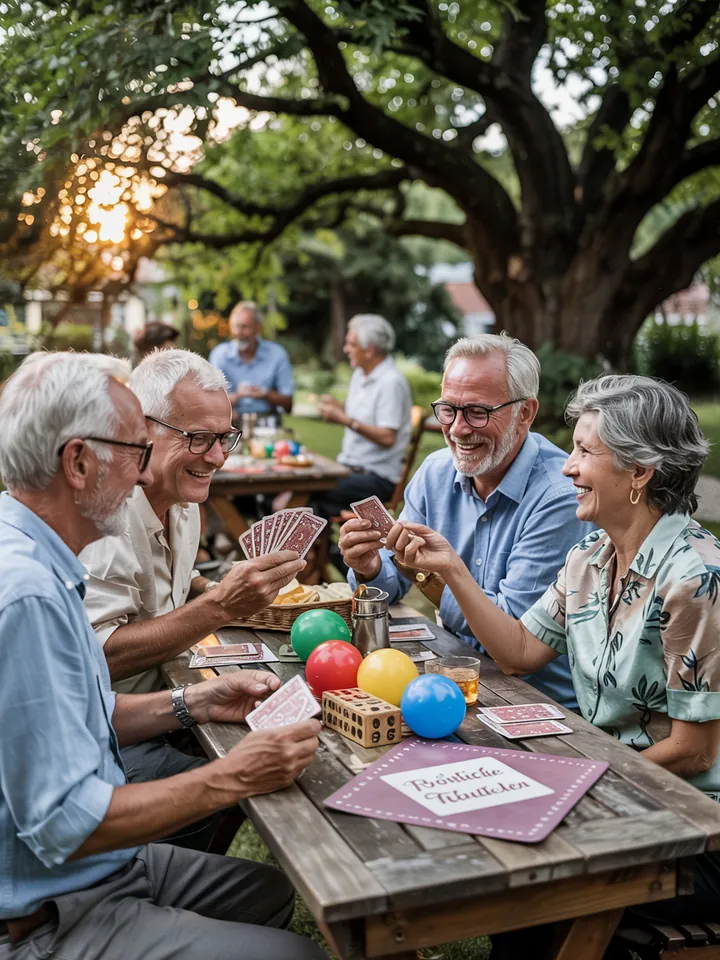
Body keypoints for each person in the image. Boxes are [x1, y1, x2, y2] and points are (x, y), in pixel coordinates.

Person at [0, 351, 325, 960]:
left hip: (97, 868)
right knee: (296, 955)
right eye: (133, 451)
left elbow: (83, 711)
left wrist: (190, 701)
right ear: (77, 462)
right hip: (46, 910)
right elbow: (65, 823)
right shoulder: (26, 594)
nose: (144, 476)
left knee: (266, 893)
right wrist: (233, 774)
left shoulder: (39, 553)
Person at [384, 374, 720, 958]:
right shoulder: (589, 558)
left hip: (694, 826)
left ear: (639, 472)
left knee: (528, 882)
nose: (567, 468)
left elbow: (694, 750)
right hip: (620, 790)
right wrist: (453, 572)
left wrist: (578, 784)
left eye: (586, 452)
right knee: (503, 863)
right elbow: (518, 653)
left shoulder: (694, 578)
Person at [79, 349, 304, 847]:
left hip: (163, 702)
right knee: (252, 769)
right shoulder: (103, 519)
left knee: (282, 730)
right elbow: (97, 660)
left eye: (224, 437)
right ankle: (160, 890)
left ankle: (188, 874)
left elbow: (164, 592)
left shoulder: (183, 503)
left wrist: (210, 587)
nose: (219, 458)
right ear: (143, 427)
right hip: (103, 733)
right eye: (199, 438)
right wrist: (222, 604)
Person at [339, 332, 590, 710]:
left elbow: (512, 641)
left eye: (477, 412)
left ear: (525, 413)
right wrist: (371, 568)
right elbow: (392, 582)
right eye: (448, 409)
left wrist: (435, 578)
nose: (457, 429)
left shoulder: (559, 495)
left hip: (541, 706)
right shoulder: (436, 472)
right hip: (454, 679)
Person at [312, 314, 412, 520]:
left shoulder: (390, 383)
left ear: (370, 350)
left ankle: (321, 549)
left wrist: (344, 420)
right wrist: (337, 406)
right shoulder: (360, 374)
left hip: (377, 478)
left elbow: (387, 437)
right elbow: (359, 414)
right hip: (349, 469)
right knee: (306, 488)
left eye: (352, 344)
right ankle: (326, 549)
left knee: (308, 490)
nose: (345, 349)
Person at [209, 301, 293, 420]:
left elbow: (288, 403)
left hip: (268, 422)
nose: (239, 332)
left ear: (258, 328)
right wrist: (238, 396)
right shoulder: (219, 355)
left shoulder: (277, 354)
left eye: (244, 327)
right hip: (231, 422)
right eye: (235, 327)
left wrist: (265, 394)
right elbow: (211, 403)